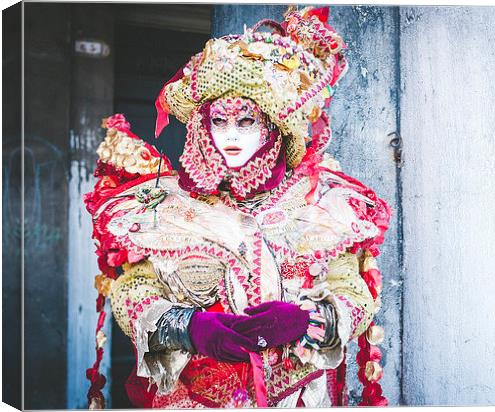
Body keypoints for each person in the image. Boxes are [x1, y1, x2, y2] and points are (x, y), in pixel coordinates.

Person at [84, 6, 391, 408]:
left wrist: (312, 320)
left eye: (245, 121)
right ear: (201, 126)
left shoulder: (323, 203)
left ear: (273, 128)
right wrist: (190, 328)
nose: (229, 135)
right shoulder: (167, 206)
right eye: (218, 122)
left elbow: (352, 290)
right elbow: (132, 291)